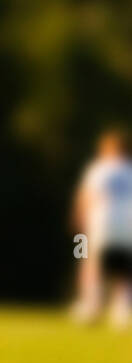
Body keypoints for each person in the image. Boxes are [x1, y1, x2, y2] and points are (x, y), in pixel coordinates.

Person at [72, 126, 132, 327]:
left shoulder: (99, 169)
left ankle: (91, 307)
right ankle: (122, 313)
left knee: (91, 265)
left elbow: (87, 196)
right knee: (123, 271)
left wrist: (79, 221)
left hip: (102, 222)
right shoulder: (130, 170)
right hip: (127, 225)